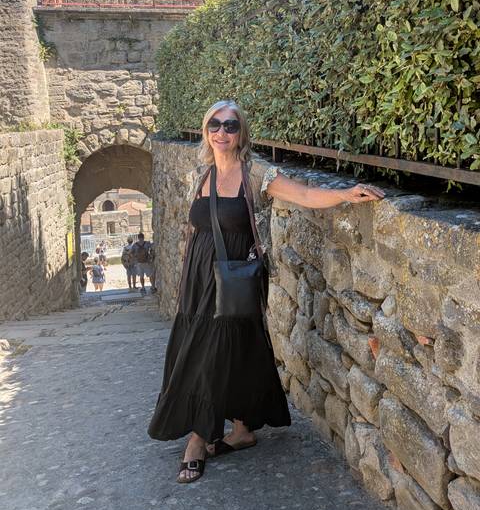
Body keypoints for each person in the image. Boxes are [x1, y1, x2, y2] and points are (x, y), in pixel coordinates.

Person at [147, 99, 385, 484]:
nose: (221, 132)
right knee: (236, 348)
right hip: (200, 279)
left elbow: (304, 195)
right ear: (206, 131)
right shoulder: (202, 173)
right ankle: (242, 430)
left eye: (230, 126)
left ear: (241, 133)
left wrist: (344, 194)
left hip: (233, 279)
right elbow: (198, 228)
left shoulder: (256, 173)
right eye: (214, 125)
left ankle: (198, 439)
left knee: (208, 352)